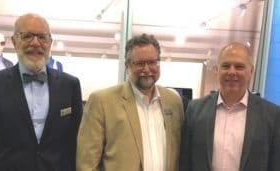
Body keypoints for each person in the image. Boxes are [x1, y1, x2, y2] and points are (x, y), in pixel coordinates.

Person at [0, 13, 83, 171]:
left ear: (50, 43)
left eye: (42, 37)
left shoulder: (70, 86)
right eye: (27, 36)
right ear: (14, 41)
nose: (35, 43)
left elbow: (76, 142)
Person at [76, 33, 184, 171]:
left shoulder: (173, 101)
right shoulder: (102, 102)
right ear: (127, 66)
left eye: (152, 62)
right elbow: (87, 164)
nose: (146, 69)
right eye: (139, 63)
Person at [179, 42, 280, 171]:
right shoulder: (195, 110)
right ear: (216, 70)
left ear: (251, 71)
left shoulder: (272, 115)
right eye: (226, 66)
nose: (232, 72)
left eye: (239, 66)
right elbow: (185, 162)